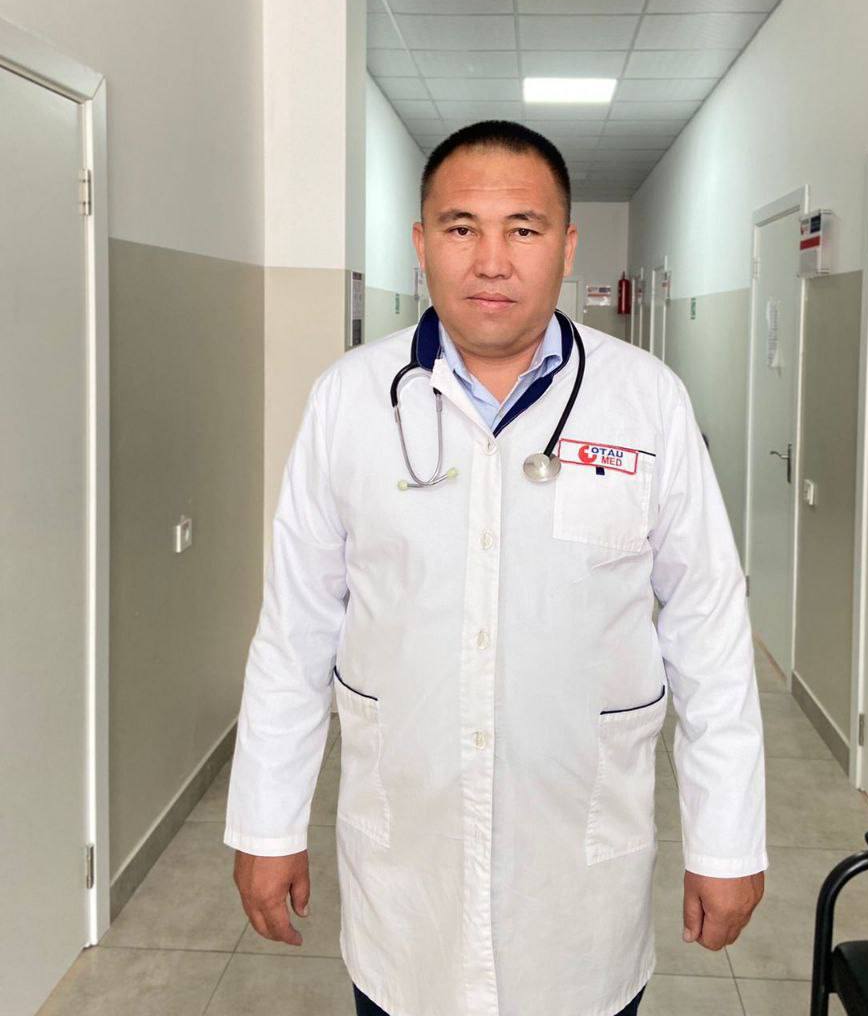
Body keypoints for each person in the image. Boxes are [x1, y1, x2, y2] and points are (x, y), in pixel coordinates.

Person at [224, 120, 767, 1016]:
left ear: (567, 246)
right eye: (460, 227)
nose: (491, 260)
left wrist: (727, 838)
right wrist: (268, 821)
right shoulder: (349, 400)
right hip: (408, 875)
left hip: (580, 878)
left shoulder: (647, 402)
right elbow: (295, 630)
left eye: (523, 228)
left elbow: (708, 629)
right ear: (421, 244)